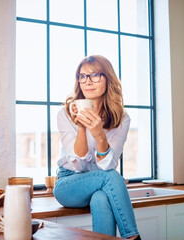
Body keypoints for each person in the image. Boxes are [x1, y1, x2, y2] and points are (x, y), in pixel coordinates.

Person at [53, 55, 141, 240]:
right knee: (110, 177)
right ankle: (133, 237)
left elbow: (108, 165)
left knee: (101, 198)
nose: (88, 82)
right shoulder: (66, 114)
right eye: (82, 76)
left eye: (95, 75)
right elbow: (78, 166)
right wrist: (81, 127)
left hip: (100, 182)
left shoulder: (121, 118)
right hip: (69, 184)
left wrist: (100, 134)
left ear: (107, 78)